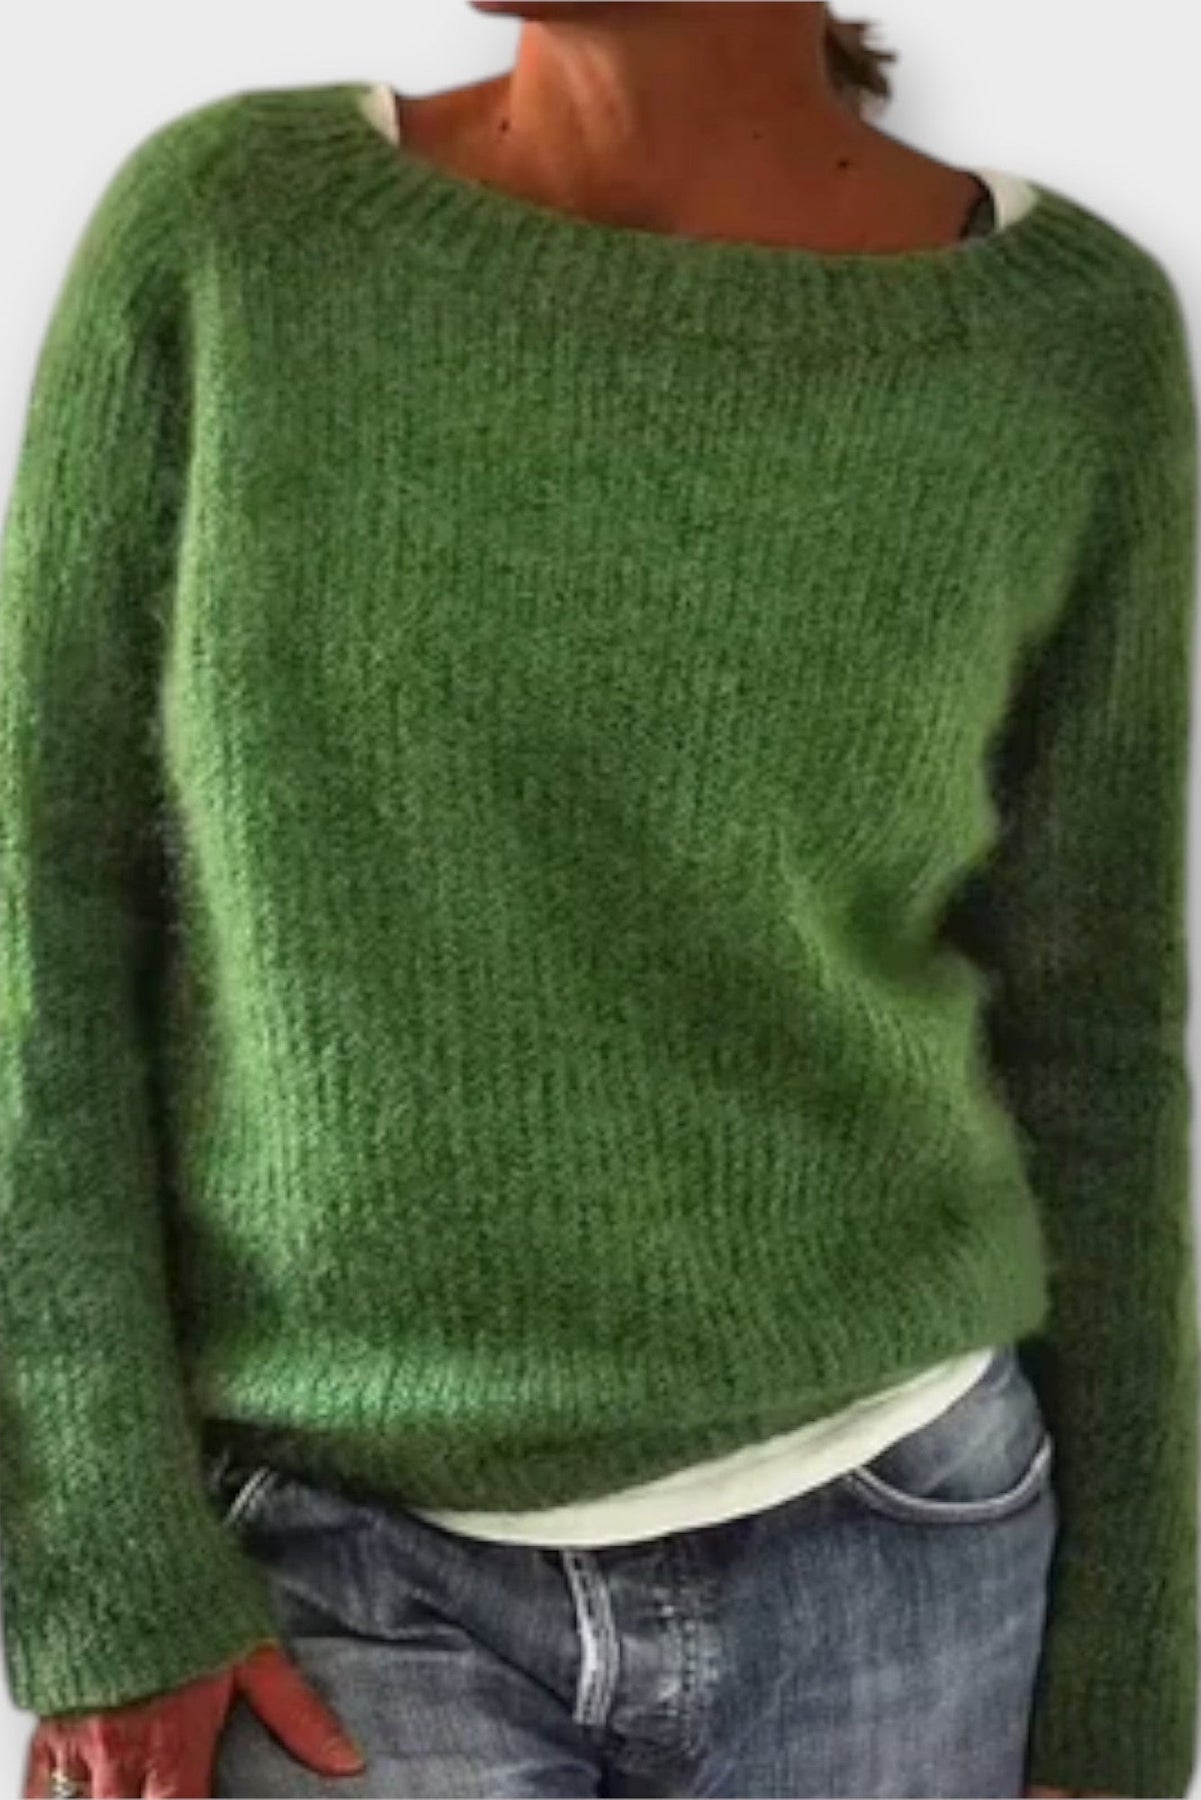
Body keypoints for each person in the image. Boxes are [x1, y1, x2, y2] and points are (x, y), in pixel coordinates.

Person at [0, 3, 1195, 1795]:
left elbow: (1091, 1018)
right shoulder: (235, 237)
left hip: (903, 1559)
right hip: (328, 1570)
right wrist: (99, 1568)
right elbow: (40, 911)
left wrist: (1124, 1678)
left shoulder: (1060, 345)